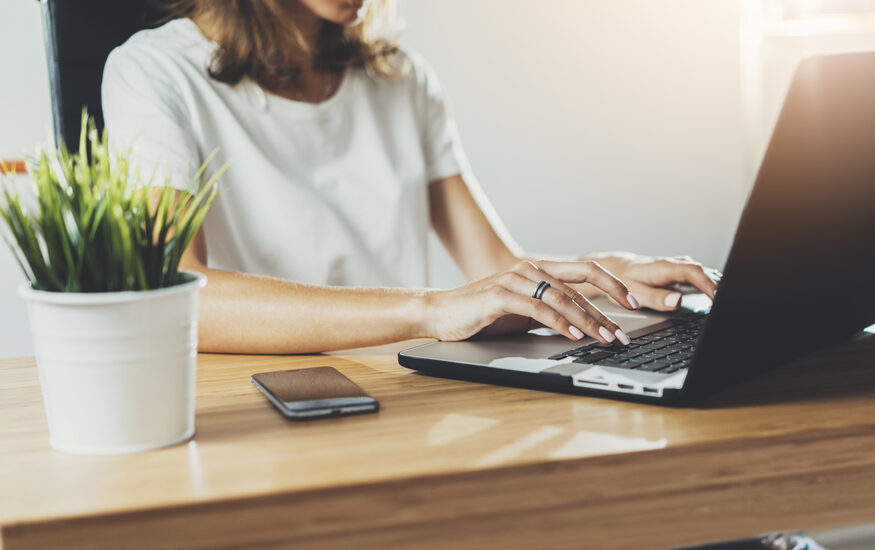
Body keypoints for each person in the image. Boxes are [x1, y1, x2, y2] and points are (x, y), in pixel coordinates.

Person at [101, 2, 827, 549]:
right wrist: (427, 310)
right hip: (277, 438)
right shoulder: (153, 71)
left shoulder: (400, 78)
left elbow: (496, 276)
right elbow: (179, 296)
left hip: (408, 421)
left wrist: (612, 269)